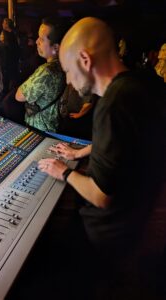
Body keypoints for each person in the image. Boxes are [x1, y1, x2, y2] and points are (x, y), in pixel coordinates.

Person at [38, 17, 165, 255]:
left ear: (85, 60)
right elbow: (123, 141)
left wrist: (63, 171)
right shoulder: (143, 83)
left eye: (67, 70)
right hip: (136, 220)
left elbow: (101, 196)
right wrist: (80, 152)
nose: (68, 80)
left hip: (104, 236)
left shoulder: (112, 105)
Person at [15, 16, 70, 132]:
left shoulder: (47, 71)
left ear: (55, 47)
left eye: (41, 39)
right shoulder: (68, 66)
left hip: (40, 130)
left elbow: (19, 96)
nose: (36, 42)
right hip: (57, 127)